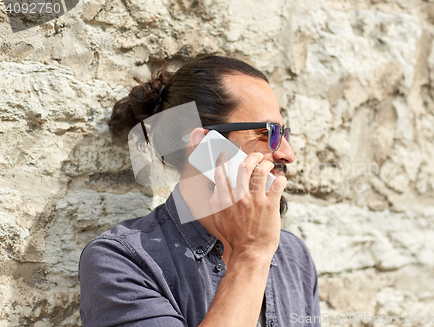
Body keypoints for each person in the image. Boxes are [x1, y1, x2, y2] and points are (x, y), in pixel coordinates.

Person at [79, 55, 320, 327]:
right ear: (207, 146)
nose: (288, 154)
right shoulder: (123, 261)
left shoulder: (293, 254)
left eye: (283, 134)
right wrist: (250, 254)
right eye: (269, 133)